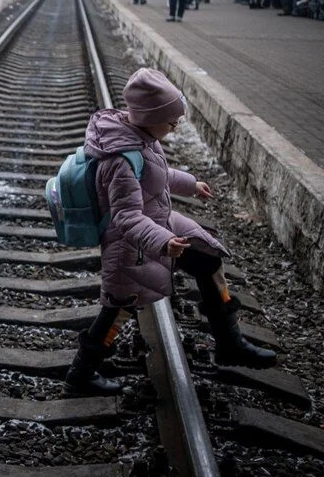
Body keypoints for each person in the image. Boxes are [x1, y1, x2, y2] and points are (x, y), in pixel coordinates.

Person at [64, 69, 277, 396]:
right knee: (118, 309)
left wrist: (191, 184)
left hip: (161, 222)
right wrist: (163, 242)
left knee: (208, 258)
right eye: (172, 121)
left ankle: (229, 342)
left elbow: (156, 175)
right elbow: (126, 217)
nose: (176, 127)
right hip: (131, 245)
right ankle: (82, 373)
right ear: (150, 117)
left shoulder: (142, 137)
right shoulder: (120, 161)